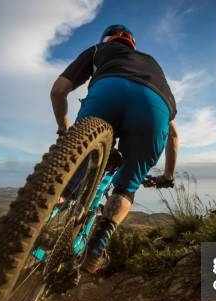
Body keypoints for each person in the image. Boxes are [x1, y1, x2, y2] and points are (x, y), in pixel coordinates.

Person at [50, 24, 179, 274]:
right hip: (155, 107)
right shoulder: (152, 65)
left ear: (108, 39)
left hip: (107, 93)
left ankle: (46, 212)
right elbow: (173, 135)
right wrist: (168, 177)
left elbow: (58, 90)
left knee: (78, 168)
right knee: (125, 188)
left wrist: (64, 130)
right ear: (133, 45)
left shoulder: (100, 50)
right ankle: (95, 250)